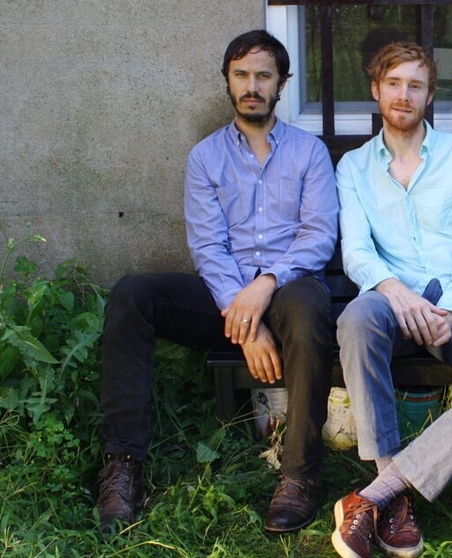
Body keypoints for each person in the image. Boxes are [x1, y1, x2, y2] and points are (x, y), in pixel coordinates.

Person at [95, 30, 338, 535]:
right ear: (228, 81)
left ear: (282, 84)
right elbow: (208, 247)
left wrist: (266, 283)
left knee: (306, 307)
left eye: (263, 76)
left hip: (289, 290)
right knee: (132, 295)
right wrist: (245, 322)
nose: (252, 86)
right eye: (241, 75)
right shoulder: (205, 157)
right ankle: (123, 466)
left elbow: (318, 235)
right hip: (224, 297)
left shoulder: (309, 152)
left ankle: (299, 476)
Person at [330, 42, 452, 558]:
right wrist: (395, 292)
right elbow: (356, 251)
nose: (404, 95)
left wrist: (451, 309)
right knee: (356, 320)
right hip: (389, 299)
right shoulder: (353, 167)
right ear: (376, 90)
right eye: (394, 83)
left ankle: (376, 496)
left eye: (415, 85)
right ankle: (392, 492)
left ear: (429, 95)